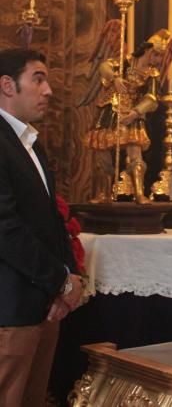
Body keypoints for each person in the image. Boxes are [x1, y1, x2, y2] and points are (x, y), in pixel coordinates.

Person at [0, 48, 84, 406]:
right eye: (38, 78)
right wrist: (60, 281)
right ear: (7, 85)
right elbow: (6, 229)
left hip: (44, 304)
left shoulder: (30, 142)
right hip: (11, 307)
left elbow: (52, 220)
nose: (48, 90)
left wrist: (71, 277)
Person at [83, 28, 172, 203]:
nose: (157, 61)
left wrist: (136, 112)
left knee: (135, 152)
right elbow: (104, 67)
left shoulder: (151, 74)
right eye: (156, 56)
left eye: (159, 57)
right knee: (102, 152)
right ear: (148, 51)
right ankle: (103, 193)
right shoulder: (124, 62)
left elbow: (152, 97)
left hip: (132, 113)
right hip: (111, 109)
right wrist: (115, 78)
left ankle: (139, 193)